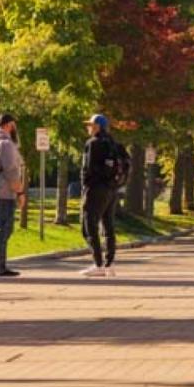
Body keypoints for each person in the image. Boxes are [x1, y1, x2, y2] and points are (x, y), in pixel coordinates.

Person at [79, 113, 123, 277]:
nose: (88, 128)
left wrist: (85, 187)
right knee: (108, 226)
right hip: (111, 189)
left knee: (88, 226)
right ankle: (109, 262)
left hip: (95, 189)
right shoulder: (114, 144)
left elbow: (87, 168)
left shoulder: (92, 143)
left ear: (97, 127)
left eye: (90, 125)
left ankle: (98, 264)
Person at [0, 113, 27, 278]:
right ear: (9, 125)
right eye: (14, 125)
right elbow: (11, 171)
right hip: (3, 193)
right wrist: (20, 192)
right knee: (3, 230)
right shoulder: (6, 144)